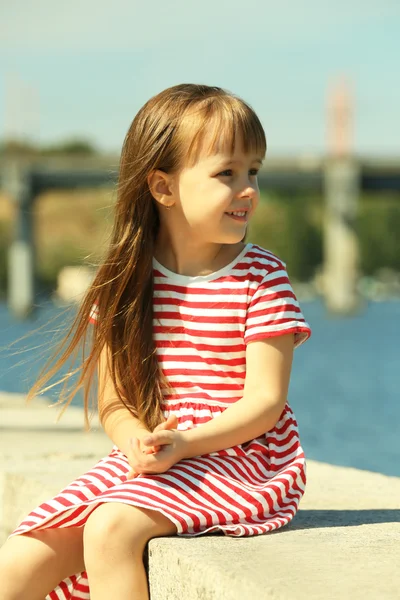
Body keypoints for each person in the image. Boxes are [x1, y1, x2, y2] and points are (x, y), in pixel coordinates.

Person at [0, 82, 312, 600]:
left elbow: (265, 401)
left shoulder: (261, 276)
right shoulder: (127, 278)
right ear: (163, 188)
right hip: (156, 455)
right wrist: (135, 444)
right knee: (16, 564)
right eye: (226, 173)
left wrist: (186, 443)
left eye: (252, 171)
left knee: (111, 528)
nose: (248, 188)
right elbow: (115, 399)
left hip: (240, 456)